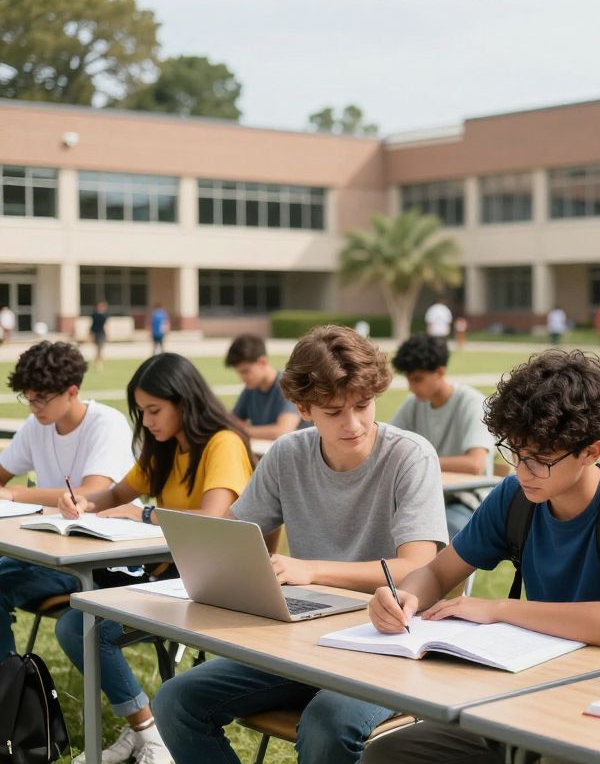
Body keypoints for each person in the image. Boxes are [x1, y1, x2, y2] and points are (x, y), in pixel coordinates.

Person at [152, 326, 448, 764]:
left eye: (363, 406)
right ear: (303, 408)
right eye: (333, 412)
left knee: (328, 722)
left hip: (388, 644)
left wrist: (310, 570)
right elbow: (231, 538)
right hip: (305, 641)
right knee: (175, 701)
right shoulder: (287, 454)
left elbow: (417, 567)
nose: (353, 424)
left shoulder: (411, 455)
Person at [361, 349, 600, 763]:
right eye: (516, 453)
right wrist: (406, 596)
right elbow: (437, 573)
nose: (522, 471)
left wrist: (500, 609)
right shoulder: (515, 496)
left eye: (541, 460)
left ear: (591, 451)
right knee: (390, 755)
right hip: (530, 689)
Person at [55, 353, 255, 764]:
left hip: (208, 585)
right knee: (78, 622)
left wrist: (144, 513)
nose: (147, 421)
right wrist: (83, 500)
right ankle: (145, 731)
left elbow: (215, 519)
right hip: (163, 578)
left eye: (154, 410)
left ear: (185, 401)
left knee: (81, 626)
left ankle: (149, 733)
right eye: (142, 412)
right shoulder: (163, 447)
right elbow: (114, 496)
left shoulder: (223, 443)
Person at [0, 341, 135, 658]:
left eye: (41, 399)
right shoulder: (37, 426)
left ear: (72, 391)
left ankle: (9, 692)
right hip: (52, 552)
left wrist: (14, 494)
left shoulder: (106, 424)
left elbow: (91, 492)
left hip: (103, 560)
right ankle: (9, 687)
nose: (33, 407)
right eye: (28, 398)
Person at [389, 333, 495, 539]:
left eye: (418, 379)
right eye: (409, 379)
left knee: (431, 542)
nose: (411, 387)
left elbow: (475, 464)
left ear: (439, 372)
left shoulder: (472, 403)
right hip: (425, 500)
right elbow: (387, 446)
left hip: (465, 501)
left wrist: (421, 461)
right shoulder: (414, 405)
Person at [225, 333, 304, 440]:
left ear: (262, 362)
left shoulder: (287, 384)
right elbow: (232, 422)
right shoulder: (250, 388)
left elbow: (283, 430)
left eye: (245, 371)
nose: (242, 378)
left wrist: (244, 429)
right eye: (239, 373)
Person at [89, 300, 109, 370]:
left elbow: (106, 326)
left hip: (102, 334)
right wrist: (90, 334)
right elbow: (92, 325)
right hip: (96, 333)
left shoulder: (105, 316)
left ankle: (99, 363)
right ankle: (98, 363)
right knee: (97, 349)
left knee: (100, 349)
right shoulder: (94, 315)